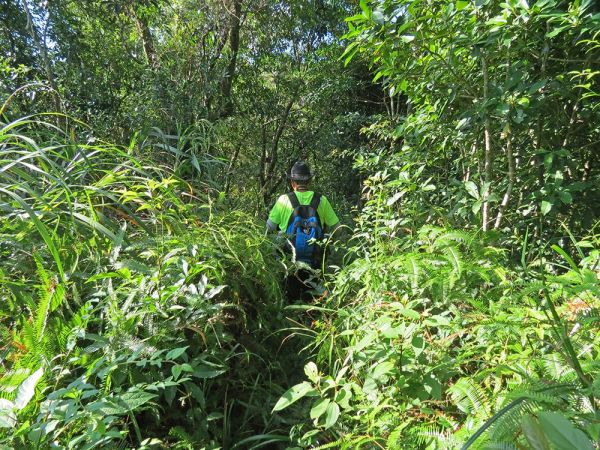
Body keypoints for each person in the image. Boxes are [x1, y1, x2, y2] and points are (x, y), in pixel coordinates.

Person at [266, 161, 340, 301]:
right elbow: (338, 228)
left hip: (289, 262)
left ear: (292, 182)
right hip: (315, 262)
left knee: (289, 297)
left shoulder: (284, 200)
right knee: (315, 300)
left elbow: (268, 229)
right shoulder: (321, 200)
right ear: (309, 181)